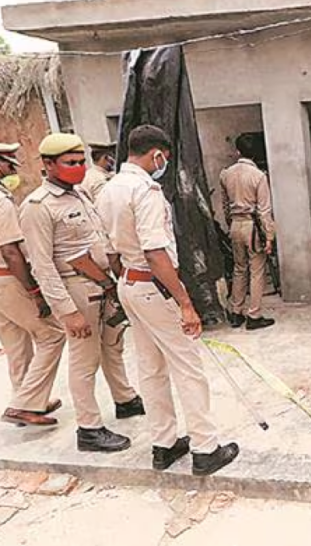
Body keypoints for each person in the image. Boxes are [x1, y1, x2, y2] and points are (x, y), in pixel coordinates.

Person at [97, 124, 239, 476]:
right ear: (156, 154)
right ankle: (206, 449)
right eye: (164, 159)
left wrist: (124, 281)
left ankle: (163, 445)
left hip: (129, 284)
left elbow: (112, 251)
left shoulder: (109, 189)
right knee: (188, 367)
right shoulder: (145, 190)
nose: (163, 164)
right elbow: (156, 252)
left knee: (151, 368)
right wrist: (185, 303)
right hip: (154, 286)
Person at [19, 133, 142, 452]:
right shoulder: (37, 206)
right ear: (48, 165)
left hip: (101, 284)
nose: (77, 168)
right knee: (84, 359)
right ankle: (89, 428)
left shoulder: (78, 195)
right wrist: (66, 312)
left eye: (80, 162)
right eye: (69, 163)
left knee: (112, 347)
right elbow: (42, 265)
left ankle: (125, 398)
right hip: (76, 290)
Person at [0, 142, 66, 427]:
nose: (13, 169)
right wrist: (35, 293)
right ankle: (25, 403)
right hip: (7, 279)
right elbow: (11, 251)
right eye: (8, 163)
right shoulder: (0, 201)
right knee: (52, 335)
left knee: (16, 342)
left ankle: (27, 400)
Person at [220, 133, 276, 331]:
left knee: (239, 268)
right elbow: (264, 210)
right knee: (257, 270)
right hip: (253, 226)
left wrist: (230, 223)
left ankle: (236, 312)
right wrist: (269, 237)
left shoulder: (226, 174)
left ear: (238, 151)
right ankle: (254, 314)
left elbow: (225, 204)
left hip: (235, 224)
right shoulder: (259, 176)